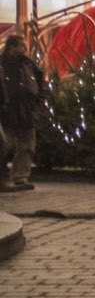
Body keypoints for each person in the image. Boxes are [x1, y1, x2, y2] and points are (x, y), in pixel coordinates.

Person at [0, 34, 49, 191]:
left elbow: (42, 84)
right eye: (22, 46)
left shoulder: (29, 65)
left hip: (27, 111)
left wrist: (38, 107)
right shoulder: (3, 64)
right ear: (11, 47)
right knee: (5, 144)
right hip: (8, 111)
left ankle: (20, 176)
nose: (25, 50)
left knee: (27, 145)